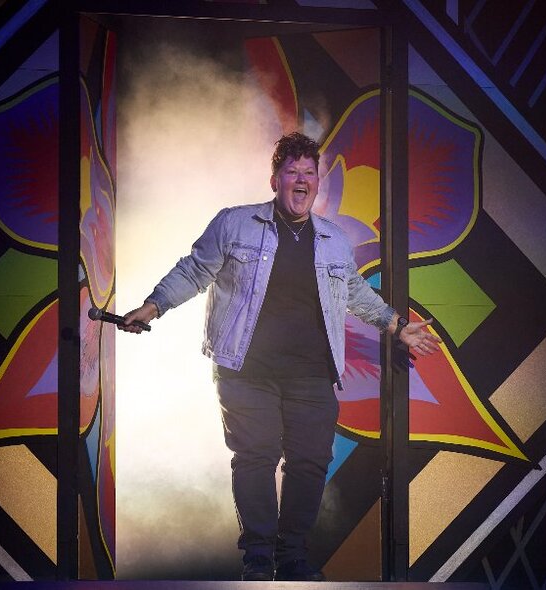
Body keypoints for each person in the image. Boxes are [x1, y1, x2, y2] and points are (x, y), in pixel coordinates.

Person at [120, 132, 441, 581]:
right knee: (256, 457)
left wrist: (395, 326)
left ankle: (291, 557)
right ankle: (256, 558)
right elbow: (195, 269)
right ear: (275, 179)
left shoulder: (331, 240)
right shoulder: (235, 224)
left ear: (317, 183)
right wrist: (153, 306)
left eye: (309, 173)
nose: (301, 180)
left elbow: (353, 293)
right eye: (292, 171)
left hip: (312, 374)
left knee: (310, 461)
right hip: (247, 371)